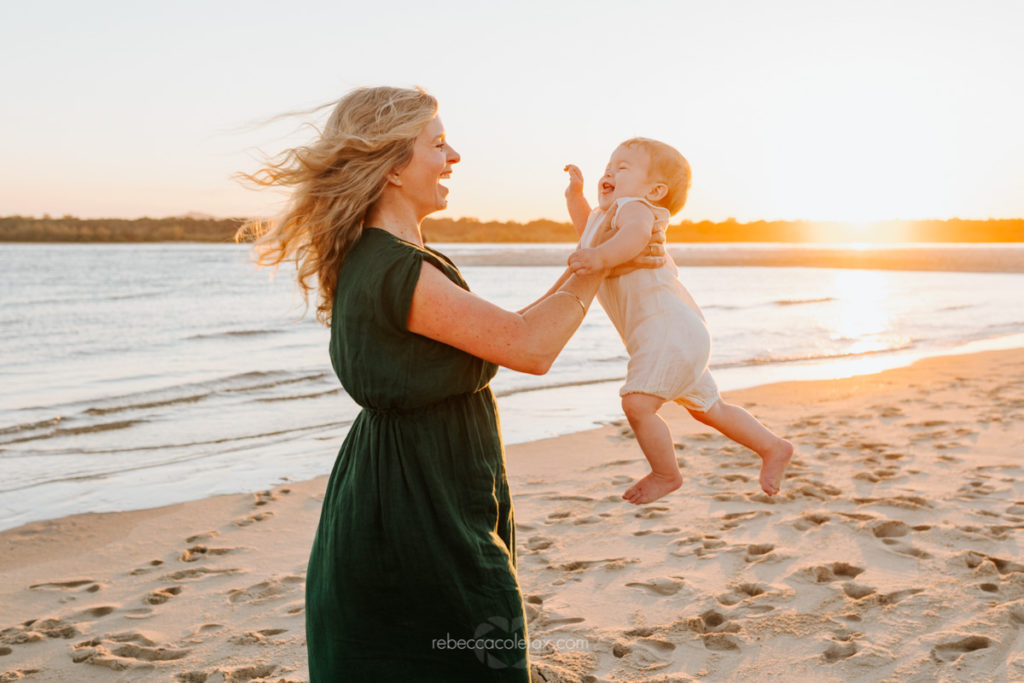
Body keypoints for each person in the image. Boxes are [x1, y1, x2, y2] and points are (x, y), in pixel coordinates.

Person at [240, 87, 664, 682]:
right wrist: (597, 259)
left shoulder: (384, 256)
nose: (454, 156)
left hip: (411, 482)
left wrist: (591, 258)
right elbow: (531, 347)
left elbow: (513, 332)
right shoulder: (396, 266)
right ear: (391, 167)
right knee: (466, 654)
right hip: (417, 503)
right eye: (437, 145)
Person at [564, 138, 793, 505]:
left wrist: (599, 258)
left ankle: (665, 473)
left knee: (637, 405)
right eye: (608, 165)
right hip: (676, 334)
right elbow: (585, 231)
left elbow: (635, 237)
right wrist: (575, 195)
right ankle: (772, 446)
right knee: (710, 409)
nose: (609, 171)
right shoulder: (606, 217)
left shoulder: (635, 208)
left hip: (668, 334)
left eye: (622, 168)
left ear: (655, 190)